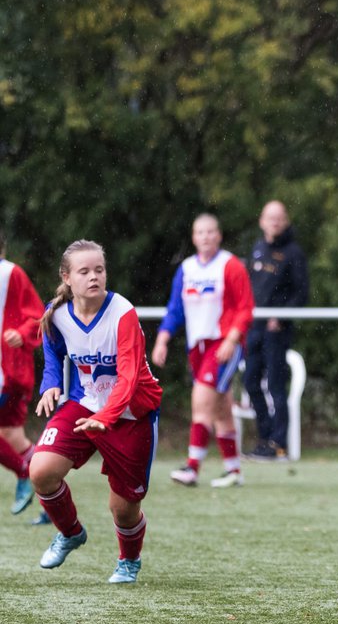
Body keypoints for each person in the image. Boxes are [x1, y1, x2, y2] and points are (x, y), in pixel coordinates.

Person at [31, 240, 163, 583]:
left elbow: (129, 378)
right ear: (67, 277)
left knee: (122, 508)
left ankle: (128, 561)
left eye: (99, 270)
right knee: (41, 470)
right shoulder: (56, 312)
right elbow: (52, 348)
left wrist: (105, 419)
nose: (94, 277)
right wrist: (49, 383)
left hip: (132, 415)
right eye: (84, 271)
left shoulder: (123, 314)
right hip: (84, 402)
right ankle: (71, 532)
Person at [152, 214, 255, 488]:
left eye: (211, 232)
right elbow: (175, 309)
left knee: (201, 402)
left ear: (219, 235)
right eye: (200, 232)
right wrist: (162, 339)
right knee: (221, 408)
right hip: (197, 347)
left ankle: (192, 468)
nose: (206, 236)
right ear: (194, 237)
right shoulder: (187, 269)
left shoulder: (230, 265)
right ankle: (233, 470)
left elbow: (245, 308)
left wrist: (231, 341)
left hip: (221, 344)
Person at [243, 200, 308, 462]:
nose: (274, 222)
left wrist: (280, 317)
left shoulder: (293, 253)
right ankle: (265, 439)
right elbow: (249, 288)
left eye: (279, 218)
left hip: (276, 331)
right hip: (253, 327)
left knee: (276, 386)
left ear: (286, 221)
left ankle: (279, 444)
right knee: (250, 382)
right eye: (270, 218)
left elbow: (301, 293)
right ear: (262, 221)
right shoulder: (257, 249)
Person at [0, 229, 47, 520]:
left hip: (8, 371)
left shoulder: (10, 274)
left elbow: (37, 316)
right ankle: (52, 502)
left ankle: (23, 474)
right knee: (12, 436)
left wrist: (22, 332)